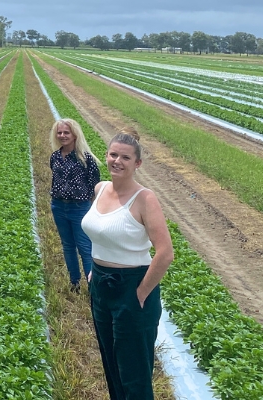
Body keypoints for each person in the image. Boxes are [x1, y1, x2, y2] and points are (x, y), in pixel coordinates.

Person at [82, 130, 173, 400]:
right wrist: (93, 270)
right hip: (101, 285)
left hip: (131, 288)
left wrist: (141, 293)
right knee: (110, 362)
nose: (117, 161)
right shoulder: (99, 190)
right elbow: (100, 233)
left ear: (137, 163)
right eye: (113, 154)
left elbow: (165, 252)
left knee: (133, 371)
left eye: (125, 157)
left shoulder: (145, 199)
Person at [49, 118, 101, 293]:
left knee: (85, 247)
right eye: (60, 132)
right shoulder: (55, 156)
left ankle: (92, 287)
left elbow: (95, 185)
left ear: (74, 135)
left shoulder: (86, 159)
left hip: (79, 208)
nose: (63, 136)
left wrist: (93, 209)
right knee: (68, 245)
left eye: (66, 132)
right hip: (58, 205)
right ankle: (75, 283)